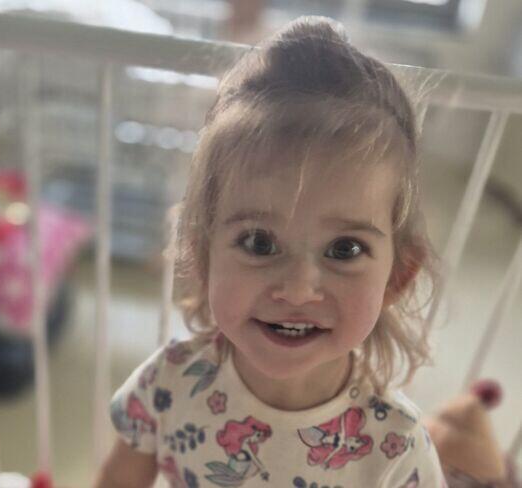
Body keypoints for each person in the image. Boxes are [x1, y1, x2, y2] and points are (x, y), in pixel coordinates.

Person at [94, 15, 447, 488]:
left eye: (344, 249)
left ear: (397, 277)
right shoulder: (170, 381)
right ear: (202, 254)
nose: (298, 289)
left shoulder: (396, 447)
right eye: (259, 243)